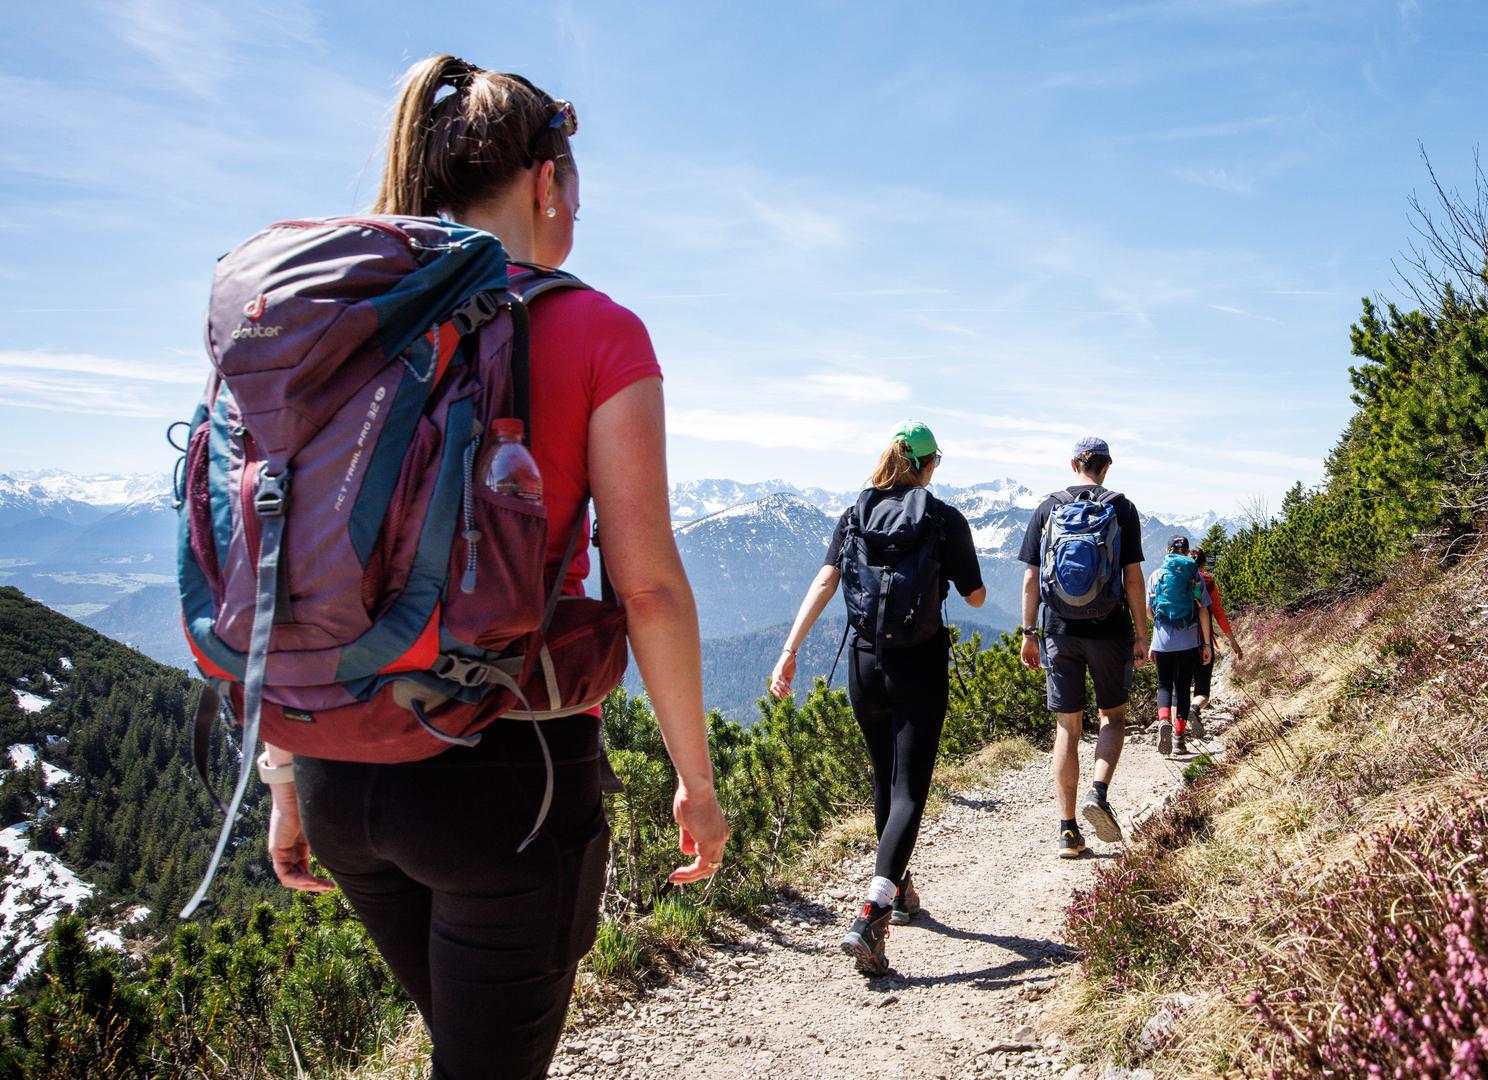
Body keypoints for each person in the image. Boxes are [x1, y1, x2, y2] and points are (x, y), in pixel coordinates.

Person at [256, 56, 727, 1080]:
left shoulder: (337, 328)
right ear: (546, 182)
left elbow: (283, 560)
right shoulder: (596, 329)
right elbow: (644, 585)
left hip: (341, 771)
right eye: (577, 190)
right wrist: (695, 782)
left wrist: (286, 777)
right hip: (507, 774)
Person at [770, 421, 985, 976]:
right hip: (920, 665)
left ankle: (901, 886)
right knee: (910, 789)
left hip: (865, 664)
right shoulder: (942, 518)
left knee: (883, 776)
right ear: (928, 463)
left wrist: (789, 651)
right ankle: (873, 911)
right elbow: (978, 597)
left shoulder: (856, 513)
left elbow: (824, 582)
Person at [1017, 437, 1150, 857]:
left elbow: (1031, 579)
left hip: (1058, 630)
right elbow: (1132, 578)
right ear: (1107, 467)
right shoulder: (1122, 507)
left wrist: (1028, 633)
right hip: (1109, 629)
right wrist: (1142, 635)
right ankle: (1098, 791)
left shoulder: (1047, 508)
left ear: (1073, 463)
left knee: (1067, 728)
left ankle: (1068, 830)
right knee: (1112, 718)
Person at [1147, 537, 1213, 757]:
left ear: (1167, 551)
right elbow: (1203, 611)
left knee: (1164, 685)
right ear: (1186, 552)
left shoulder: (1156, 575)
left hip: (1162, 642)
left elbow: (1150, 611)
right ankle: (1178, 739)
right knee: (1183, 689)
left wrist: (1156, 635)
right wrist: (1206, 644)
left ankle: (1163, 720)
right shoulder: (1195, 576)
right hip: (1188, 641)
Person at [1189, 548, 1244, 726]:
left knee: (1178, 689)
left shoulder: (1176, 579)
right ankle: (1195, 709)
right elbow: (1219, 614)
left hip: (1176, 642)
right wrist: (1233, 642)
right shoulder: (1207, 581)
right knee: (1202, 689)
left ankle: (1177, 732)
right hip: (1202, 641)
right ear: (1203, 564)